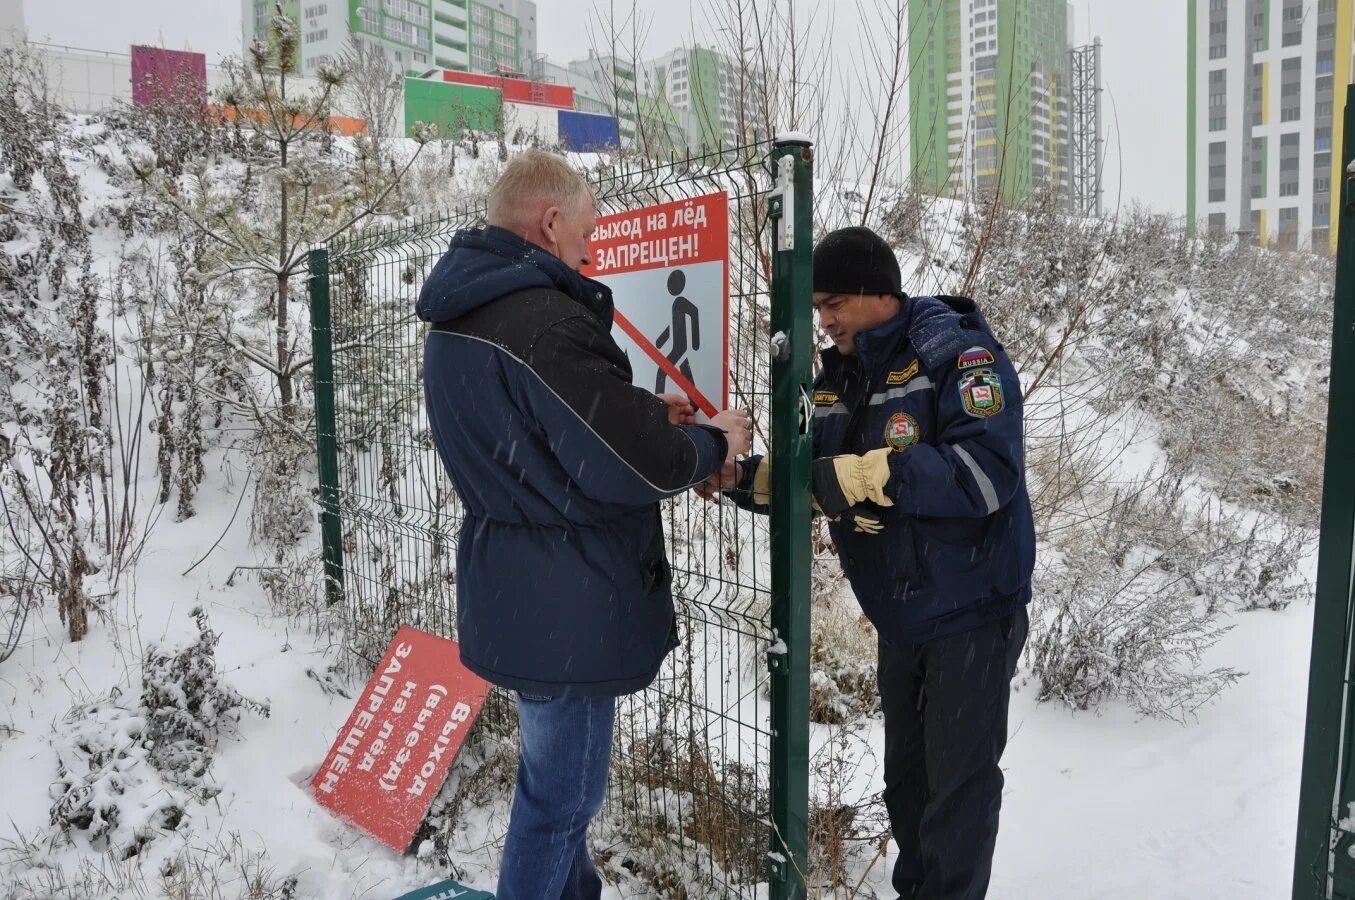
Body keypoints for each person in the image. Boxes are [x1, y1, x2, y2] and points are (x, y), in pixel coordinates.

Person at [416, 149, 752, 900]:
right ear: (551, 219)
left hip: (515, 577)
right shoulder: (541, 320)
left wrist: (637, 416)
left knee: (554, 789)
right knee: (561, 803)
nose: (591, 247)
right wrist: (710, 443)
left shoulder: (459, 320)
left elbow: (546, 431)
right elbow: (628, 465)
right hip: (569, 593)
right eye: (586, 229)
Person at [705, 226, 1034, 899]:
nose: (824, 321)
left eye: (834, 304)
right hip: (902, 608)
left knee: (957, 787)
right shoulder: (837, 377)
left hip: (971, 606)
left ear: (880, 294)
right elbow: (817, 475)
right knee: (907, 783)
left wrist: (868, 475)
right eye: (817, 309)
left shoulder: (956, 357)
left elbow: (985, 473)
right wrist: (743, 478)